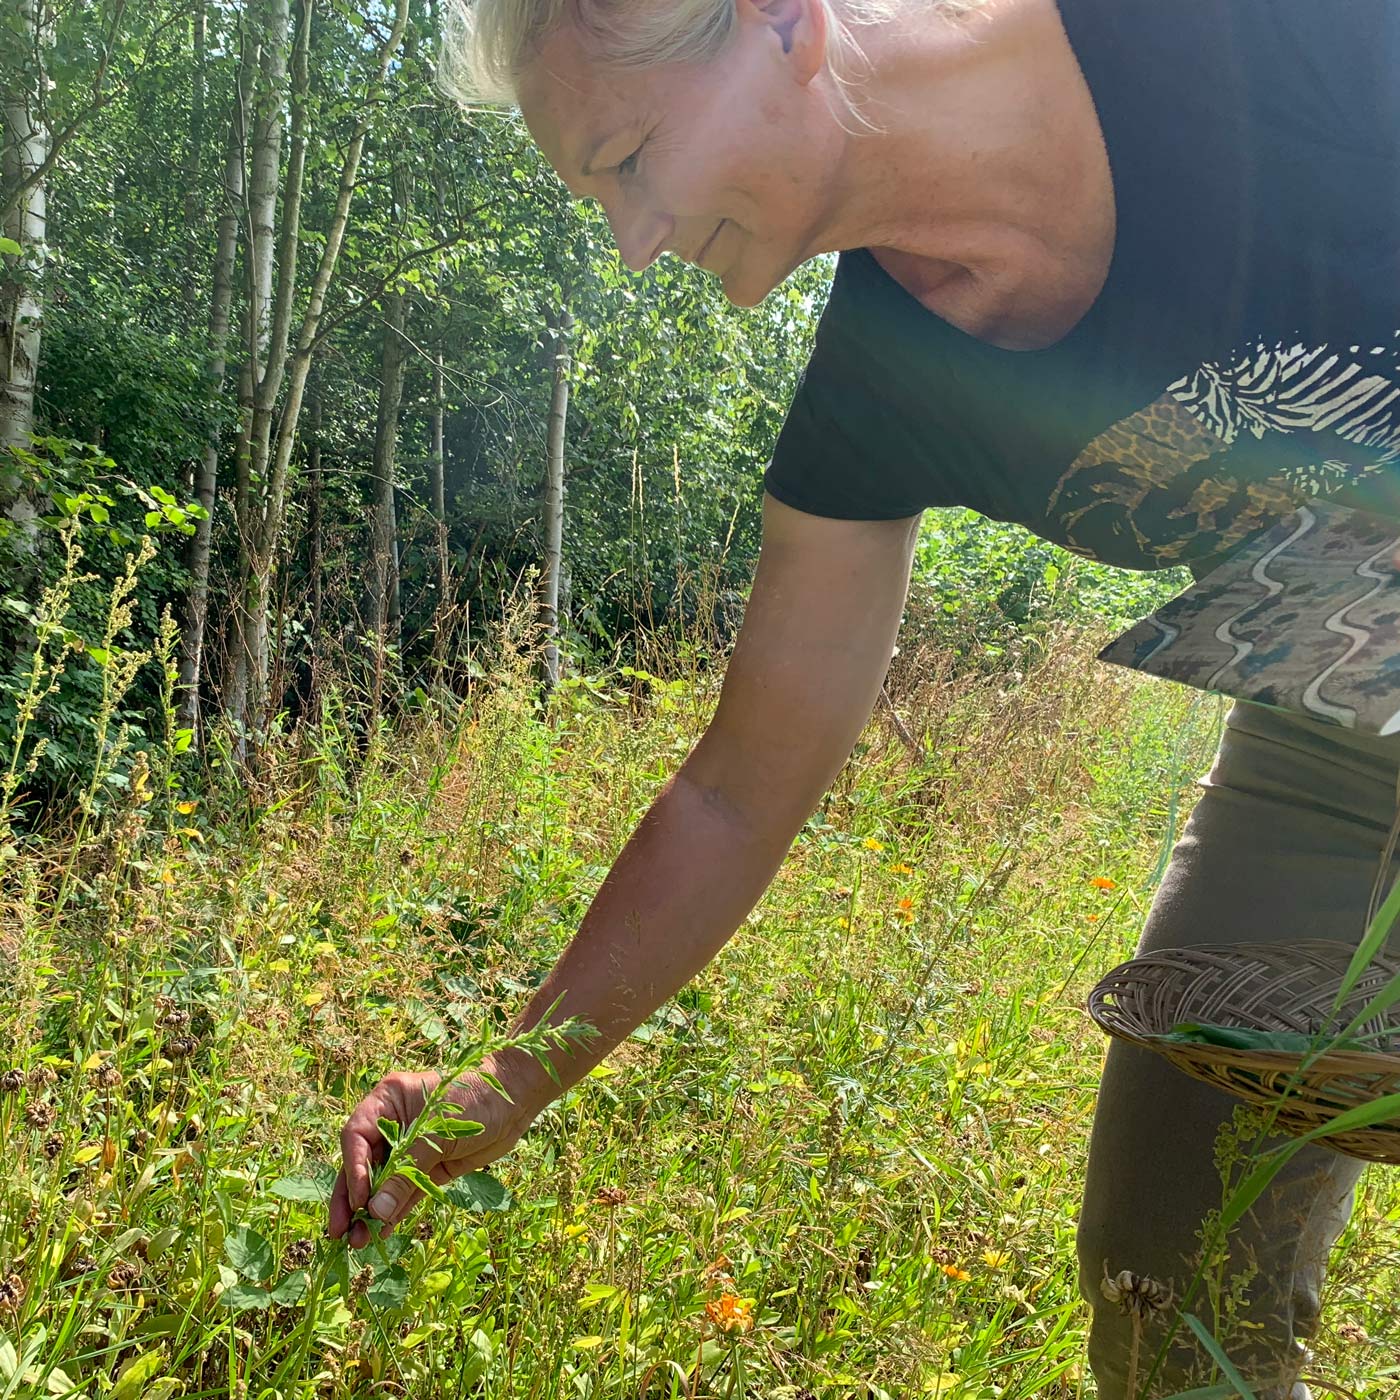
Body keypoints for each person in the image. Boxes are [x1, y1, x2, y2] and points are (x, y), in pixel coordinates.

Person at [327, 1, 1400, 1394]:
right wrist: (497, 1083)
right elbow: (736, 788)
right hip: (1326, 699)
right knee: (1165, 1277)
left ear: (784, 20)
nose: (635, 242)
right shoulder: (883, 383)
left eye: (635, 158)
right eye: (598, 198)